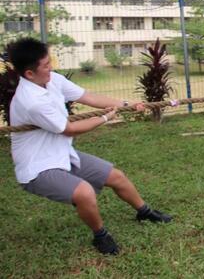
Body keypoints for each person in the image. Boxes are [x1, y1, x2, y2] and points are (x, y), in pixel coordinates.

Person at [7, 38, 171, 256]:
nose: (51, 67)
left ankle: (145, 212)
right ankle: (100, 235)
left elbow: (88, 96)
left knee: (116, 176)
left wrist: (126, 104)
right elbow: (69, 129)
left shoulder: (52, 80)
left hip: (61, 154)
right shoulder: (31, 100)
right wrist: (105, 118)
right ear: (29, 73)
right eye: (46, 65)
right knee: (84, 194)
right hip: (37, 166)